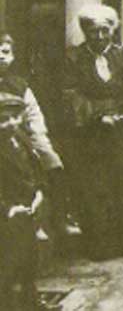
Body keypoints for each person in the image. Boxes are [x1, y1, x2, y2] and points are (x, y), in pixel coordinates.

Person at [63, 4, 123, 260]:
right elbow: (71, 94)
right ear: (85, 32)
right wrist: (98, 115)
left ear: (113, 30)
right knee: (98, 186)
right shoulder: (74, 58)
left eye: (105, 30)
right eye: (93, 31)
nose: (100, 37)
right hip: (93, 134)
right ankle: (103, 245)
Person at [0, 33, 79, 243]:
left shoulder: (20, 85)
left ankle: (57, 218)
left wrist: (39, 140)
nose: (1, 56)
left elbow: (33, 116)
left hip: (19, 133)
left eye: (6, 52)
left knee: (52, 161)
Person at [0, 94, 43, 311]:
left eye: (15, 117)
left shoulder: (19, 138)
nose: (11, 123)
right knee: (8, 266)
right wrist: (7, 209)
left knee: (29, 259)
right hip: (7, 215)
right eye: (4, 120)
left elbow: (35, 169)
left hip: (27, 209)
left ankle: (31, 302)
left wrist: (39, 193)